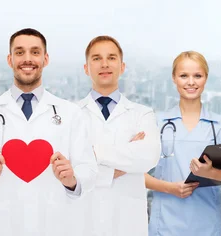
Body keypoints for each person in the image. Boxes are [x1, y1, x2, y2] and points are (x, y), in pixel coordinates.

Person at [0, 28, 98, 236]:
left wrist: (71, 179)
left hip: (53, 226)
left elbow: (89, 170)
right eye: (19, 52)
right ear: (10, 60)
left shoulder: (70, 113)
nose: (27, 59)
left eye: (35, 52)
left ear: (45, 59)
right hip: (3, 226)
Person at [146, 51, 221, 236]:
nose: (191, 82)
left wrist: (210, 173)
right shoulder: (156, 123)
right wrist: (170, 188)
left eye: (197, 76)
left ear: (206, 78)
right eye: (183, 76)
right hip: (165, 227)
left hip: (207, 228)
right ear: (174, 78)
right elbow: (131, 174)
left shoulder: (220, 126)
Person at [76, 35, 161, 235]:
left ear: (122, 67)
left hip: (128, 224)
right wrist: (122, 162)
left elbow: (149, 156)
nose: (104, 64)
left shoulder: (142, 114)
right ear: (86, 68)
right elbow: (69, 172)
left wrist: (93, 153)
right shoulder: (71, 115)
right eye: (96, 58)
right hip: (83, 223)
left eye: (111, 58)